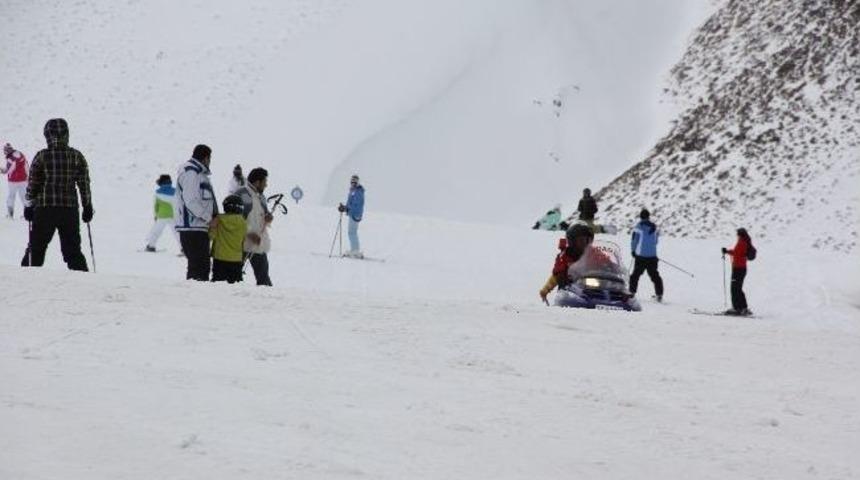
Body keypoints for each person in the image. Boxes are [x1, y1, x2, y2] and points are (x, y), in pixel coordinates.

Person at [22, 118, 93, 271]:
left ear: (47, 135)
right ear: (67, 134)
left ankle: (26, 279)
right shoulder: (77, 156)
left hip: (45, 209)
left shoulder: (42, 156)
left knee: (36, 248)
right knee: (72, 250)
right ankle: (85, 284)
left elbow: (33, 184)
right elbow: (84, 184)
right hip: (69, 210)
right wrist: (87, 206)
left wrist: (29, 205)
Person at [175, 144, 217, 281]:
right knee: (198, 268)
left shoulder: (200, 174)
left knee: (202, 266)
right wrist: (208, 218)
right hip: (192, 229)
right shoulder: (191, 173)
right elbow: (191, 201)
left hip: (199, 228)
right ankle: (194, 298)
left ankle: (197, 298)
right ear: (206, 158)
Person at [539, 223, 594, 303]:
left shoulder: (593, 253)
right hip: (569, 294)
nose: (585, 243)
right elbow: (556, 276)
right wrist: (545, 290)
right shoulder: (564, 256)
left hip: (592, 291)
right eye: (581, 240)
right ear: (572, 241)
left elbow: (605, 261)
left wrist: (612, 266)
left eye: (587, 240)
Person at [236, 167, 273, 286]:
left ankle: (266, 299)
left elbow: (264, 214)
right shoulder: (243, 194)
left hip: (258, 244)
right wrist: (249, 233)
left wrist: (268, 218)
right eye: (264, 182)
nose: (266, 185)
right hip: (243, 243)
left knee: (263, 279)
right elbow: (237, 218)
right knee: (235, 275)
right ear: (257, 182)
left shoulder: (261, 197)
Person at [209, 195, 247, 283]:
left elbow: (211, 236)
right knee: (235, 287)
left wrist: (212, 227)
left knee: (218, 285)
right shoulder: (243, 222)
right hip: (236, 259)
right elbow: (243, 240)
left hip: (220, 259)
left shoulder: (219, 219)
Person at [629, 208, 664, 301]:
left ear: (641, 217)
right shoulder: (654, 228)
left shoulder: (638, 227)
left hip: (641, 257)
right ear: (648, 217)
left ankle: (631, 293)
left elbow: (634, 241)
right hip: (652, 257)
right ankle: (659, 294)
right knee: (655, 276)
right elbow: (656, 241)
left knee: (635, 275)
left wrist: (633, 251)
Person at [722, 228, 754, 316]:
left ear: (740, 234)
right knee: (737, 288)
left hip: (738, 269)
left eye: (737, 234)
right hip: (741, 268)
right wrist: (727, 251)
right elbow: (737, 253)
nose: (737, 235)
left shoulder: (742, 243)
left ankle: (738, 308)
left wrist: (727, 252)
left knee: (735, 289)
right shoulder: (745, 242)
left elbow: (736, 253)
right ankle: (742, 307)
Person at [144, 174, 179, 252]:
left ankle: (151, 246)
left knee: (156, 231)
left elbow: (155, 206)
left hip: (161, 215)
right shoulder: (176, 191)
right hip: (173, 216)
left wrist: (155, 215)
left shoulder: (157, 193)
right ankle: (183, 248)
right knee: (177, 233)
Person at [338, 174, 365, 258]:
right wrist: (344, 207)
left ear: (357, 182)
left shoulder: (358, 192)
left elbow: (356, 205)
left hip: (355, 214)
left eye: (355, 182)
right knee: (352, 232)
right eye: (352, 182)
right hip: (353, 214)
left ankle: (355, 251)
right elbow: (350, 203)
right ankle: (354, 250)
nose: (353, 183)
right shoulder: (353, 191)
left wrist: (346, 209)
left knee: (352, 232)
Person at [2, 143, 28, 218]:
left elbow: (8, 170)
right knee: (24, 197)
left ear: (8, 150)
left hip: (13, 181)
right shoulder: (21, 154)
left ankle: (10, 214)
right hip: (23, 180)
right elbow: (26, 165)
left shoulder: (11, 158)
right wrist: (27, 176)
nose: (5, 152)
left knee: (11, 196)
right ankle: (27, 214)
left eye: (5, 151)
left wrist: (2, 170)